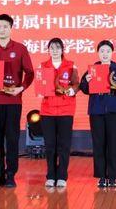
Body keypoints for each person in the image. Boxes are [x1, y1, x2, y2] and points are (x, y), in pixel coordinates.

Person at [0, 14, 34, 188]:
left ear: (10, 28)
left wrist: (21, 88)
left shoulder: (20, 48)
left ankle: (11, 175)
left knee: (12, 139)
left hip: (13, 101)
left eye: (5, 26)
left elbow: (30, 73)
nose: (1, 29)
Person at [80, 40, 116, 188]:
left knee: (113, 144)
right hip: (96, 111)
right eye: (102, 51)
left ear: (112, 52)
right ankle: (101, 176)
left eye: (108, 51)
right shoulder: (92, 69)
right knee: (98, 144)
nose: (105, 54)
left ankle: (113, 176)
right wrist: (86, 81)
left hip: (114, 111)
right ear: (98, 53)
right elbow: (84, 88)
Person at [38, 38, 79, 189]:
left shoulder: (71, 65)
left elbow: (76, 84)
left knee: (64, 145)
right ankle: (50, 175)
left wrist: (72, 90)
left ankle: (62, 176)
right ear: (48, 50)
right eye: (52, 48)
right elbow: (40, 85)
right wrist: (40, 91)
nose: (55, 51)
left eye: (58, 48)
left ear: (62, 50)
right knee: (50, 145)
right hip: (47, 111)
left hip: (66, 110)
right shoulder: (43, 66)